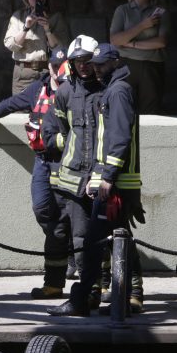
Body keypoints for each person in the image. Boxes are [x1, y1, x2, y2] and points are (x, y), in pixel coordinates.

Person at [48, 43, 141, 316]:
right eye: (94, 65)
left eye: (101, 65)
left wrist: (106, 177)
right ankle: (120, 298)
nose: (96, 70)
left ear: (115, 63)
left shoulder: (118, 91)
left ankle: (83, 300)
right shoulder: (113, 90)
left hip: (114, 183)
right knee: (113, 240)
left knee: (95, 243)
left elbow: (119, 139)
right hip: (110, 180)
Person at [0, 46, 72, 298]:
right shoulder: (39, 89)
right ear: (48, 66)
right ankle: (64, 249)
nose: (57, 70)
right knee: (42, 210)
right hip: (42, 161)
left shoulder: (74, 90)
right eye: (54, 65)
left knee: (72, 220)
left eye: (62, 65)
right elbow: (11, 104)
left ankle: (61, 275)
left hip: (66, 164)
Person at [40, 35, 104, 312]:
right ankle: (86, 294)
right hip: (75, 179)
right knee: (79, 238)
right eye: (78, 61)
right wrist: (70, 149)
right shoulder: (65, 92)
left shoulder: (107, 90)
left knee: (115, 237)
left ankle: (127, 293)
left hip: (104, 178)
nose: (83, 66)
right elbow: (52, 131)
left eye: (87, 61)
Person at [109, 0, 170, 114]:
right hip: (126, 64)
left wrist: (131, 43)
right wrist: (143, 25)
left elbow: (161, 42)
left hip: (151, 65)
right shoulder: (122, 10)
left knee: (151, 111)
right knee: (124, 108)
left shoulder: (160, 12)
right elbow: (115, 40)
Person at [3, 0, 71, 95]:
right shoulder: (18, 16)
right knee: (21, 112)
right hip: (23, 73)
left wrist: (47, 30)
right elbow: (10, 45)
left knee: (46, 109)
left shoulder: (55, 17)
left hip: (47, 71)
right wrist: (25, 27)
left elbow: (62, 49)